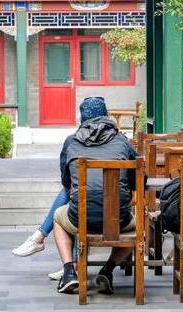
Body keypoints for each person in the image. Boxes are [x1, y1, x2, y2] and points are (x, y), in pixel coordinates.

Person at [51, 97, 138, 294]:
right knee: (143, 226)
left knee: (58, 218)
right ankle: (107, 270)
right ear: (106, 116)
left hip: (80, 219)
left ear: (83, 118)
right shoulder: (122, 141)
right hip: (118, 220)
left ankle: (68, 273)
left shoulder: (71, 142)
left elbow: (66, 183)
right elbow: (139, 178)